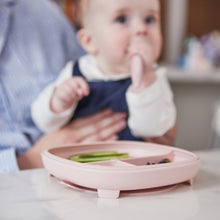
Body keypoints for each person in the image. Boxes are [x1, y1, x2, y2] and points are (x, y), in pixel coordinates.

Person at [0, 0, 128, 173]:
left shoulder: (46, 14)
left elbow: (102, 80)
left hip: (92, 170)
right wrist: (29, 161)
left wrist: (157, 123)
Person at [31, 0, 176, 142]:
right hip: (84, 162)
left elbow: (153, 130)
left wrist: (145, 84)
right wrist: (59, 101)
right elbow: (43, 123)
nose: (141, 29)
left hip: (134, 163)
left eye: (150, 19)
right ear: (89, 41)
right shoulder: (76, 71)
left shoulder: (154, 78)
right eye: (121, 19)